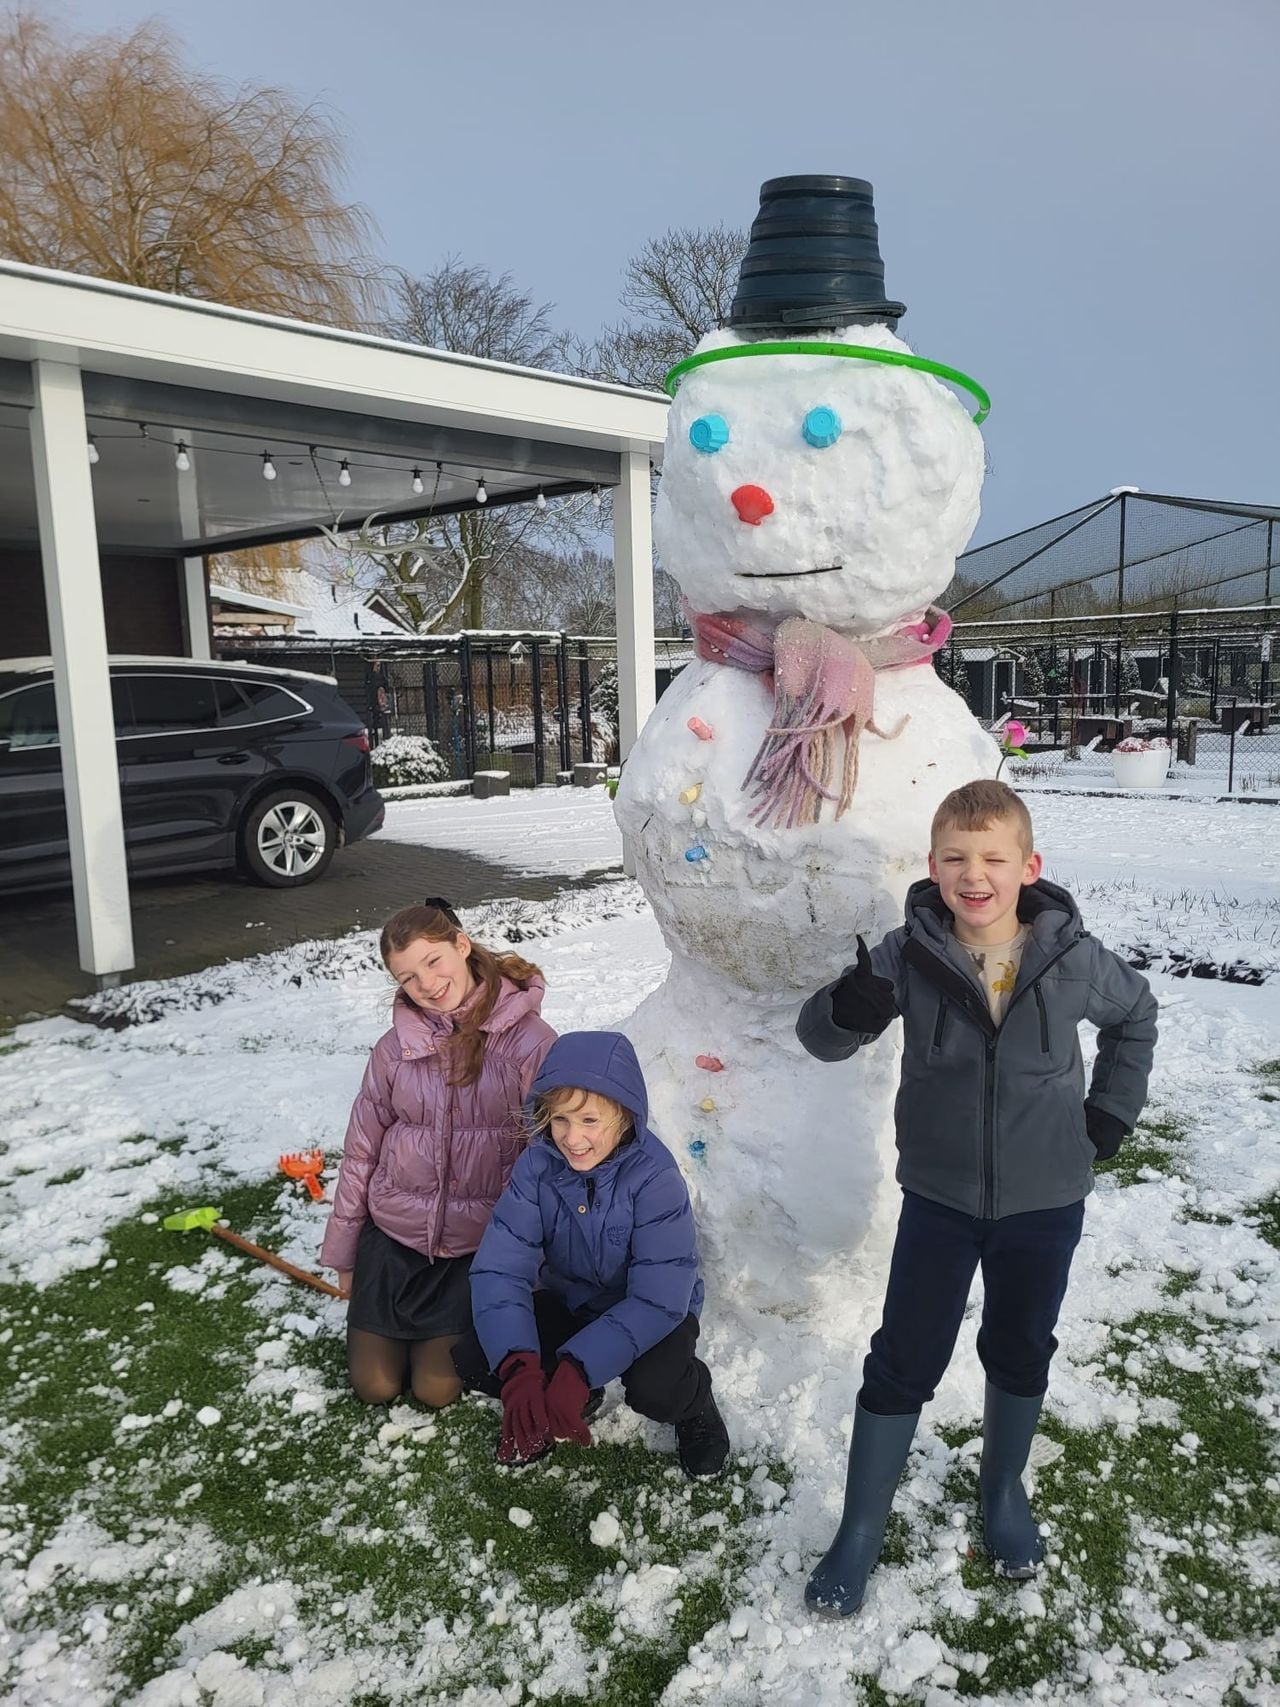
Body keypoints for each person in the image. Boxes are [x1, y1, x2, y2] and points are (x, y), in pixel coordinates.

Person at [797, 778, 1157, 1616]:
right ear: (932, 865)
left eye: (994, 857)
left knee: (1021, 1345)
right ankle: (860, 1527)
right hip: (941, 1198)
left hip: (1045, 1200)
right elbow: (818, 1039)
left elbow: (1136, 1016)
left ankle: (1002, 1492)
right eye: (956, 857)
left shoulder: (1071, 958)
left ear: (1029, 865)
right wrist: (846, 1010)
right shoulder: (907, 954)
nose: (974, 874)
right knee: (904, 1357)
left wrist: (1108, 1113)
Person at [454, 1031, 730, 1478]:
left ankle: (694, 1403)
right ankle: (562, 1401)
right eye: (560, 1119)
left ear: (624, 1115)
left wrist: (578, 1368)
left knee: (655, 1388)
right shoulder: (537, 1166)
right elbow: (499, 1270)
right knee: (478, 1357)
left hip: (652, 1312)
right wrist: (519, 1368)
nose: (572, 1137)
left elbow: (659, 1298)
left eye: (589, 1120)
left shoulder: (655, 1178)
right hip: (573, 1301)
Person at [320, 898, 556, 1410]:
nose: (426, 984)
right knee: (375, 1387)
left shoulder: (529, 1043)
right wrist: (344, 1254)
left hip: (474, 1246)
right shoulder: (394, 1049)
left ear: (462, 946)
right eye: (407, 977)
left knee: (435, 1389)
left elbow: (546, 1161)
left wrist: (527, 1266)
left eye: (433, 961)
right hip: (395, 1236)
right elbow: (361, 1153)